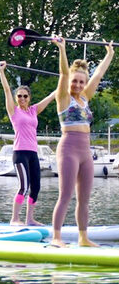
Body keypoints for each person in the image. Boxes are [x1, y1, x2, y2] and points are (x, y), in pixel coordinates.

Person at [50, 37, 113, 247]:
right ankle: (56, 237)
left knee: (84, 199)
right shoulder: (63, 97)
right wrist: (62, 49)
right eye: (74, 81)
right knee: (65, 195)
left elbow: (98, 74)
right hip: (68, 148)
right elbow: (64, 73)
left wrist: (109, 54)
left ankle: (83, 237)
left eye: (80, 81)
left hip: (86, 151)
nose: (77, 84)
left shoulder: (85, 98)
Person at [0, 62, 57, 225]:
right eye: (19, 96)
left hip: (33, 154)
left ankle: (30, 219)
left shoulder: (33, 110)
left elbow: (52, 96)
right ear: (16, 99)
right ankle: (14, 219)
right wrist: (1, 71)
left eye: (25, 96)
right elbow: (6, 90)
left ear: (29, 98)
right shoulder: (13, 111)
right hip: (20, 153)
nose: (22, 98)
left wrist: (66, 81)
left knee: (35, 188)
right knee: (24, 186)